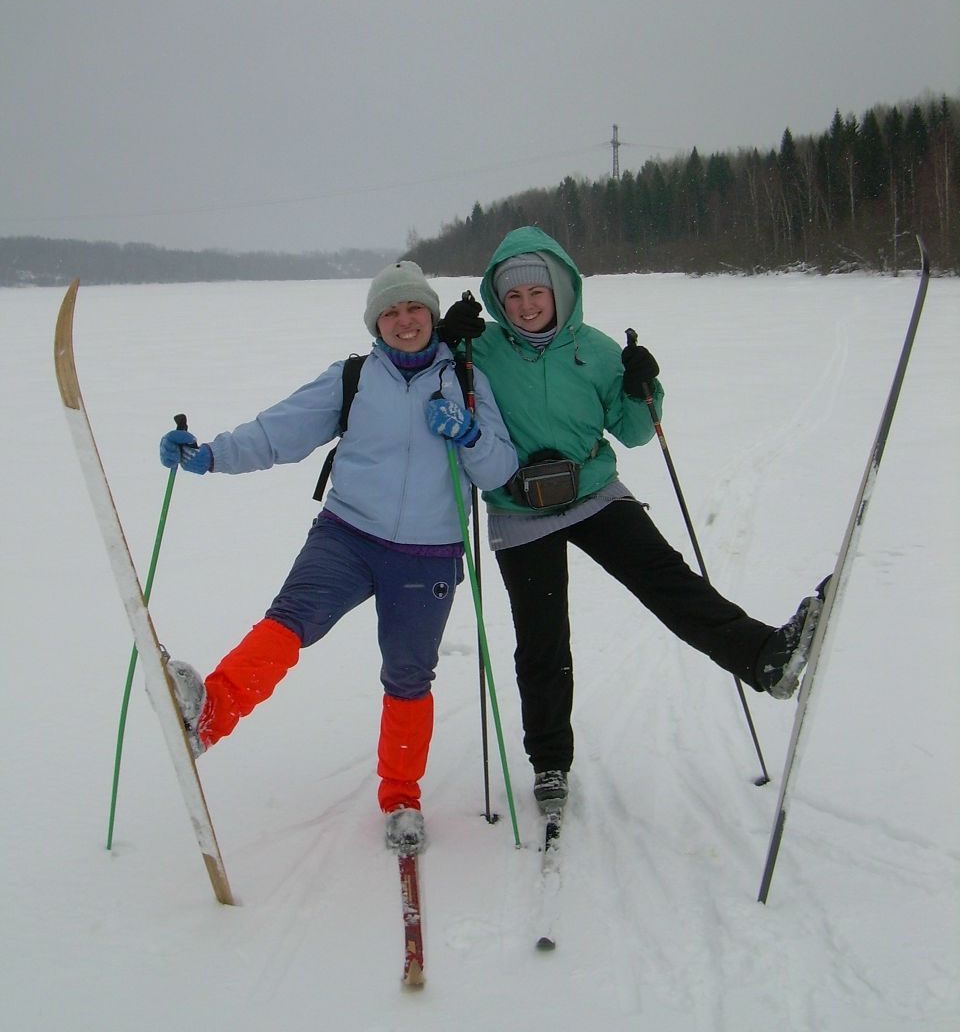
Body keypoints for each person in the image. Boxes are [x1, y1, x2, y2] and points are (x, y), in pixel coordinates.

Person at [437, 226, 824, 816]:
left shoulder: (594, 349)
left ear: (561, 289)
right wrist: (444, 341)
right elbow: (428, 376)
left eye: (537, 292)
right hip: (520, 510)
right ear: (497, 299)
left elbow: (636, 432)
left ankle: (765, 659)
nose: (526, 305)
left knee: (670, 583)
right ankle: (549, 765)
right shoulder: (478, 350)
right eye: (512, 296)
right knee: (542, 642)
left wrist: (645, 386)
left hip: (594, 492)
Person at [158, 260, 518, 852]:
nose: (405, 321)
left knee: (408, 675)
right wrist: (211, 455)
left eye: (414, 308)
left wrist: (469, 434)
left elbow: (500, 469)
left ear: (430, 314)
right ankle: (209, 716)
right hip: (347, 534)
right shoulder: (352, 378)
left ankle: (401, 797)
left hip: (428, 554)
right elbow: (279, 432)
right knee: (288, 621)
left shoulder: (469, 381)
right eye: (391, 312)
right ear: (377, 324)